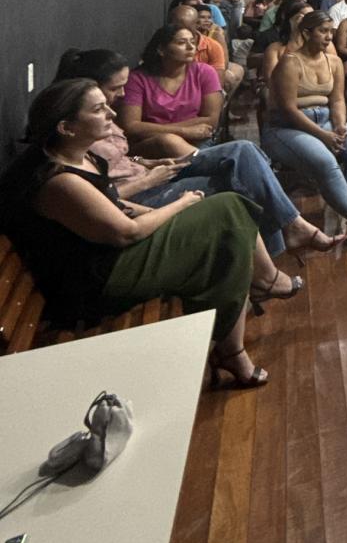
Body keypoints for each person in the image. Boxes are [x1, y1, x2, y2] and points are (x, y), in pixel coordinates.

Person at [0, 81, 270, 386]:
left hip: (113, 257)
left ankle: (233, 345)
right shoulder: (58, 182)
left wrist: (163, 213)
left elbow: (114, 204)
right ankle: (235, 341)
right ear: (66, 127)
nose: (112, 113)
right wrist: (181, 204)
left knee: (227, 232)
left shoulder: (81, 156)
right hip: (98, 281)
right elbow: (126, 233)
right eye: (99, 109)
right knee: (229, 211)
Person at [55, 48, 338, 265]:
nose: (120, 96)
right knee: (240, 184)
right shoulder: (76, 133)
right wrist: (147, 179)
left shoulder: (99, 117)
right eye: (115, 88)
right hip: (142, 195)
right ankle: (271, 263)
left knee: (243, 151)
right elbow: (104, 196)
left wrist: (147, 163)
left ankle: (287, 236)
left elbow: (119, 160)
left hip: (151, 172)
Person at [262, 12, 347, 248]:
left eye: (331, 31)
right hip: (286, 127)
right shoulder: (290, 62)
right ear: (306, 33)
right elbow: (288, 109)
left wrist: (340, 126)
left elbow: (337, 100)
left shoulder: (334, 62)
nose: (329, 36)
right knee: (324, 159)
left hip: (325, 119)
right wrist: (323, 136)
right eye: (322, 31)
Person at [119, 24, 224, 156]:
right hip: (151, 143)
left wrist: (158, 128)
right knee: (168, 141)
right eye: (181, 43)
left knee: (243, 147)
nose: (190, 47)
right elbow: (131, 126)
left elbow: (210, 120)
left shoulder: (204, 72)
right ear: (161, 49)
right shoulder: (137, 79)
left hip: (196, 139)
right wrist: (184, 131)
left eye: (193, 42)